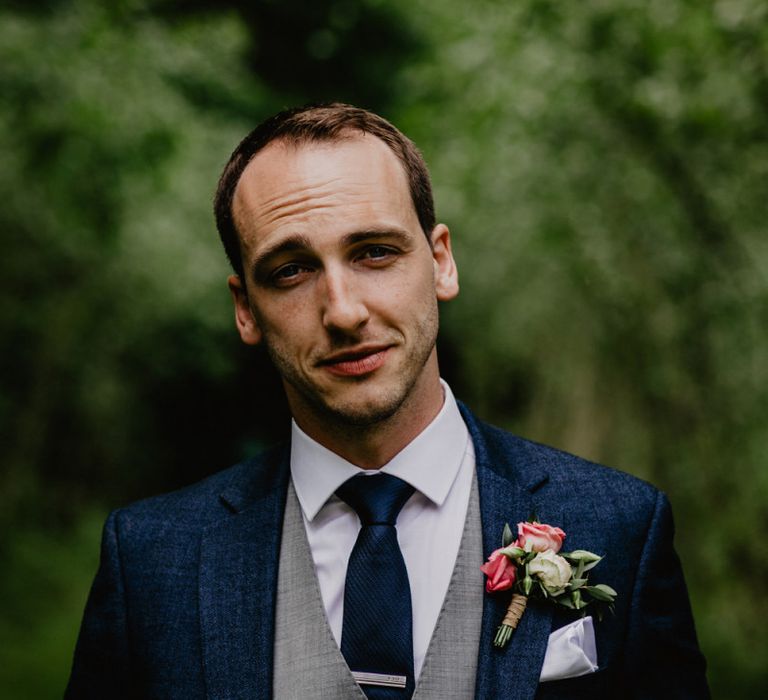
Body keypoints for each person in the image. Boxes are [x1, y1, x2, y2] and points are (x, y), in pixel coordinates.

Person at [66, 103, 709, 699]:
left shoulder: (624, 526)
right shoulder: (151, 561)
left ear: (441, 263)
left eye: (375, 252)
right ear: (245, 309)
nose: (343, 312)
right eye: (291, 269)